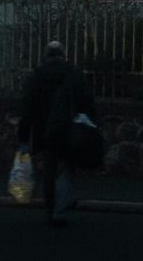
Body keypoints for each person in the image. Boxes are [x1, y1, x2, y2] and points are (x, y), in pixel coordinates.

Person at [16, 40, 94, 227]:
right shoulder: (73, 73)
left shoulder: (37, 75)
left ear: (46, 56)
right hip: (68, 128)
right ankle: (60, 209)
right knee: (67, 169)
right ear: (63, 55)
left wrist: (23, 137)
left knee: (49, 170)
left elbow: (27, 108)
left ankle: (50, 209)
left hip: (44, 130)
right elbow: (86, 102)